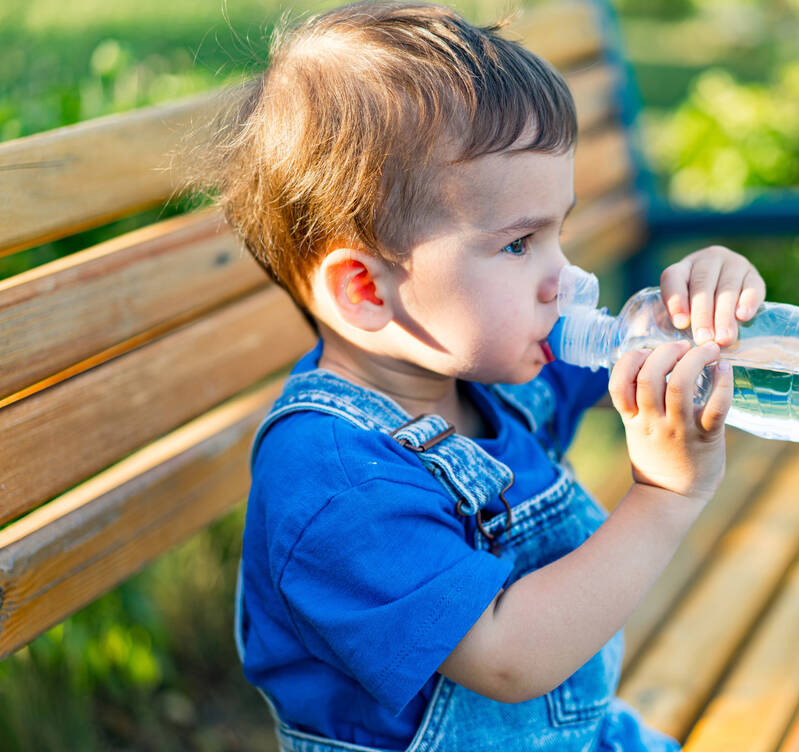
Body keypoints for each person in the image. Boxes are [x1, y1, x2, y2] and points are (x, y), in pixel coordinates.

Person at [210, 3, 766, 750]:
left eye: (558, 231)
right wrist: (665, 498)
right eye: (518, 245)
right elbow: (508, 658)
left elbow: (646, 359)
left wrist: (702, 305)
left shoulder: (494, 368)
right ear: (366, 290)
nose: (564, 279)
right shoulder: (335, 481)